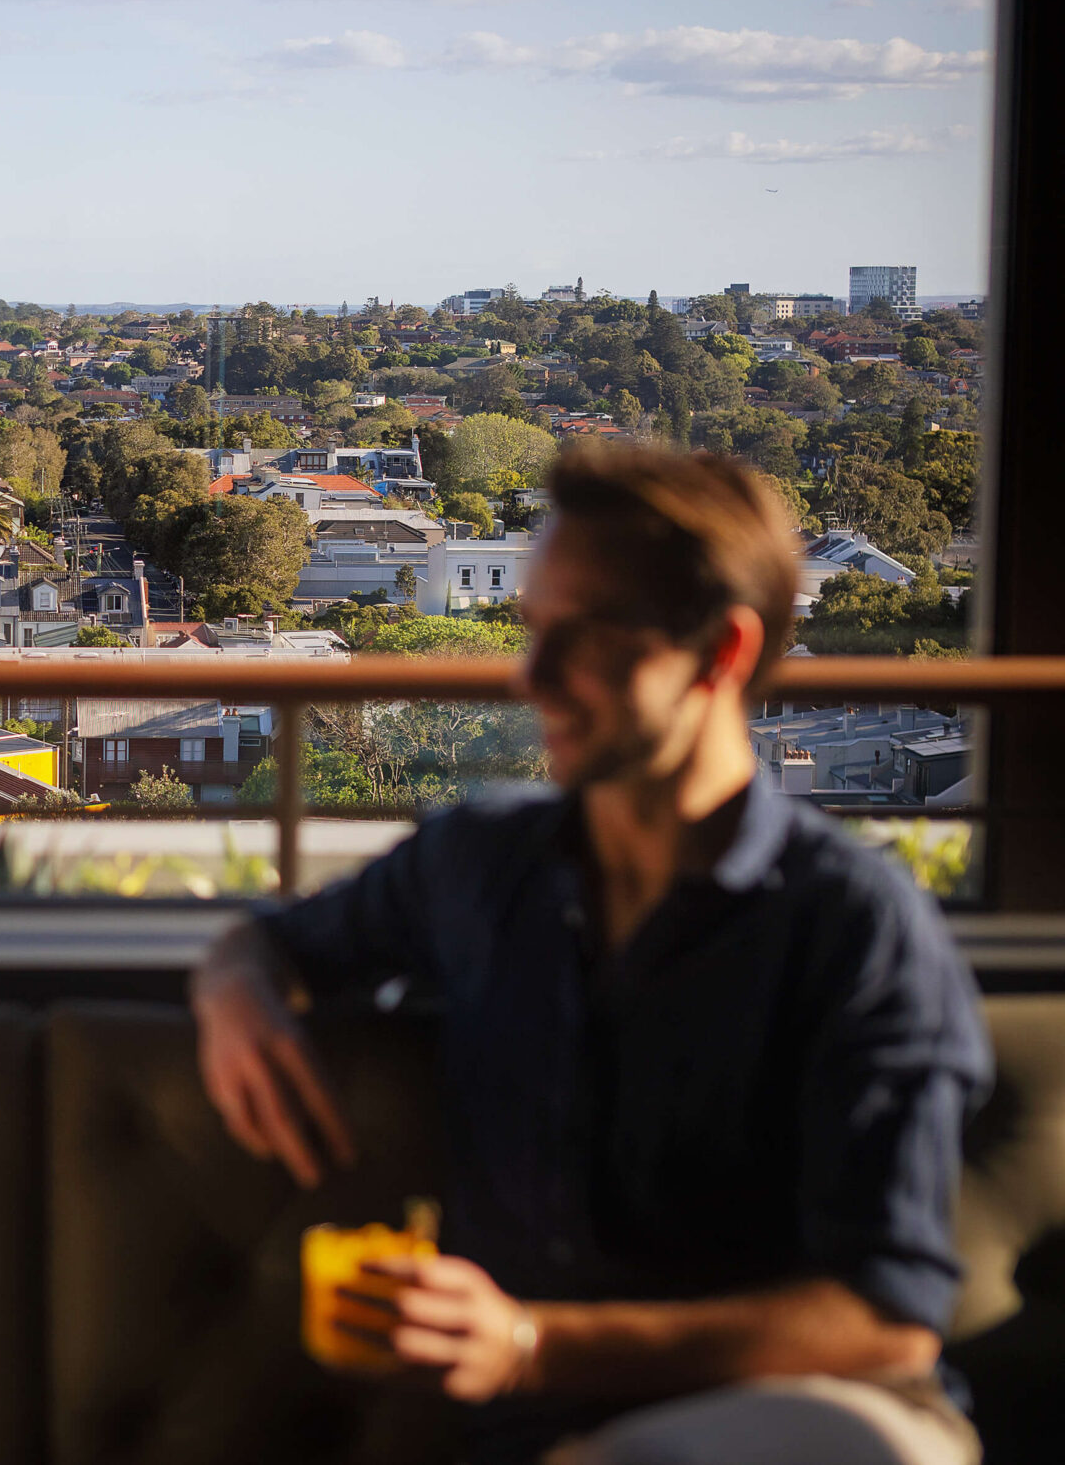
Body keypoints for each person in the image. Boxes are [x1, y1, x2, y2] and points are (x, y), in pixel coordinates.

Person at [191, 447, 990, 1465]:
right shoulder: (481, 862)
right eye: (534, 632)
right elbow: (268, 943)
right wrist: (235, 989)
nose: (532, 677)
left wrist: (531, 1348)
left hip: (814, 1423)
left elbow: (886, 1320)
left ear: (721, 654)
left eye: (587, 636)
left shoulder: (854, 931)